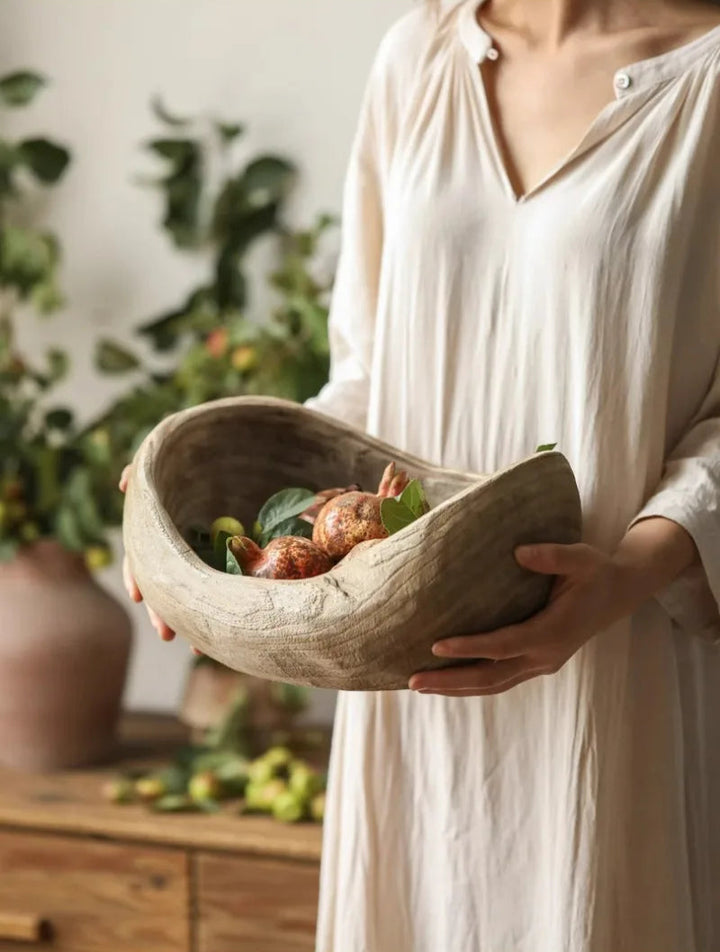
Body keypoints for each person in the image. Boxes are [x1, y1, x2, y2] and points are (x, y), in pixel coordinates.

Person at [121, 0, 720, 948]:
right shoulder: (421, 57)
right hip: (407, 672)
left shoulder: (707, 82)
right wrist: (208, 530)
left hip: (617, 662)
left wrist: (619, 583)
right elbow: (367, 372)